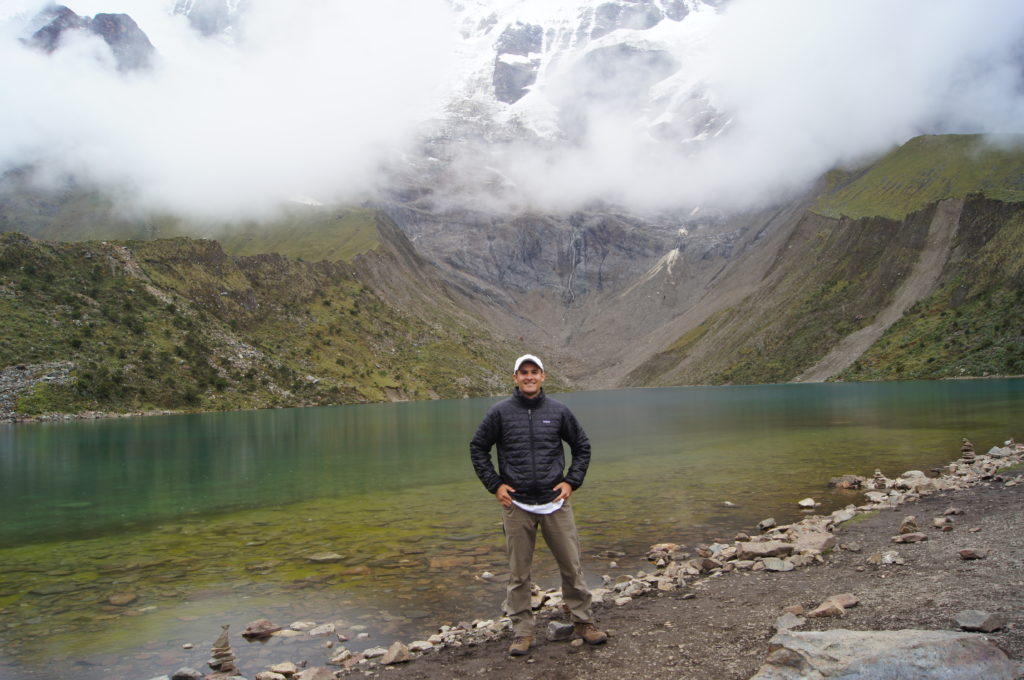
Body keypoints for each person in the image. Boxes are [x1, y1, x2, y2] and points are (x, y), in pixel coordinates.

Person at [470, 353, 608, 656]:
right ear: (515, 378)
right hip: (517, 504)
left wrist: (572, 481)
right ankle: (522, 632)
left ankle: (583, 622)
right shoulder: (500, 413)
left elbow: (582, 446)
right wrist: (495, 485)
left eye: (535, 372)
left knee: (571, 565)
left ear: (543, 376)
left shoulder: (558, 411)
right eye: (524, 372)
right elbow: (478, 448)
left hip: (555, 503)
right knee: (519, 573)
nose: (529, 377)